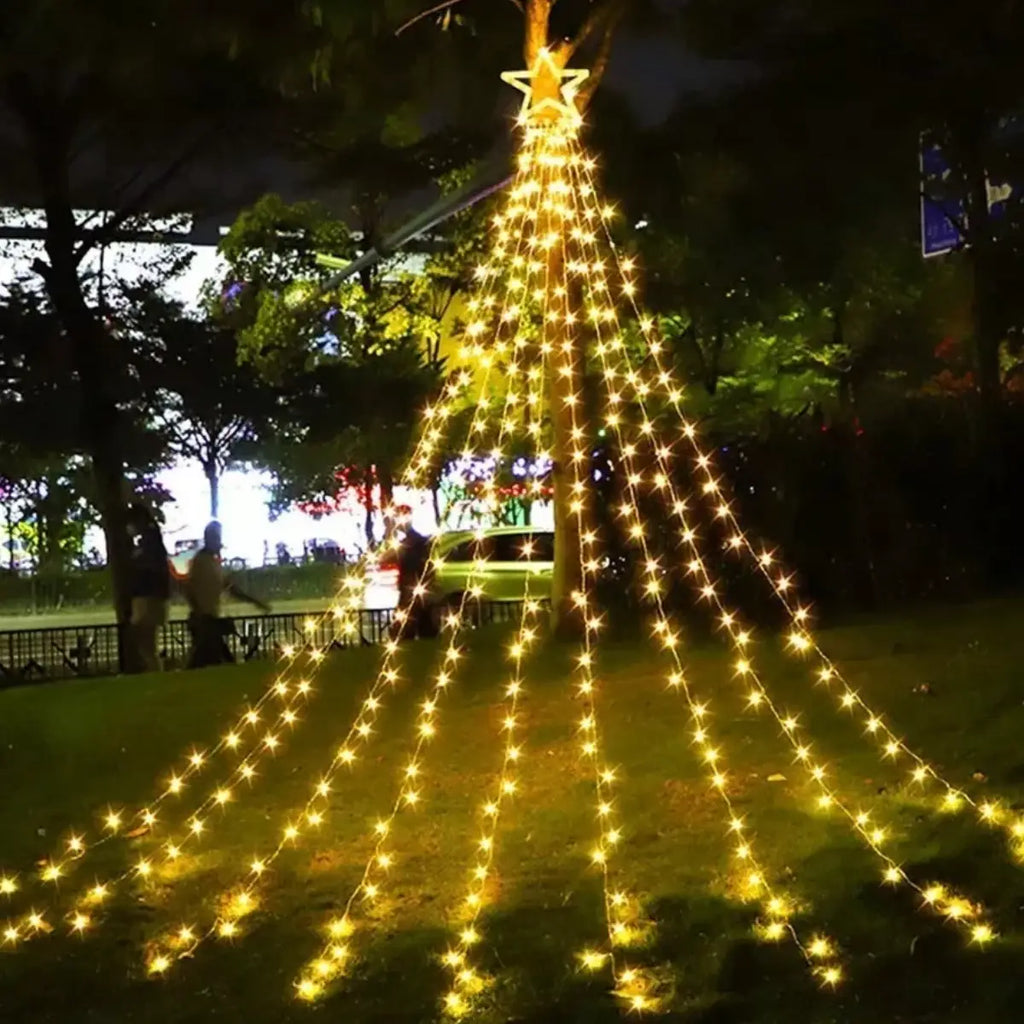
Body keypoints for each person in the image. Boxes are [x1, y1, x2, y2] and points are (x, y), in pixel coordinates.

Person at [185, 521, 271, 668]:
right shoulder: (202, 561)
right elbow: (190, 588)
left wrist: (254, 602)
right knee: (211, 661)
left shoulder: (211, 561)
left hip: (208, 619)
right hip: (205, 620)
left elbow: (229, 588)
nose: (219, 542)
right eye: (217, 537)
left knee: (207, 661)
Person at [127, 503, 171, 672]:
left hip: (149, 598)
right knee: (147, 644)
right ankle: (154, 672)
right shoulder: (153, 539)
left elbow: (148, 569)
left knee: (147, 644)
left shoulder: (150, 543)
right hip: (152, 597)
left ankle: (155, 673)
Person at [392, 506, 434, 639]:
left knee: (408, 622)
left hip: (412, 587)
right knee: (421, 620)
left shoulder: (413, 542)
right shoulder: (410, 541)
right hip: (414, 587)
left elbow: (416, 564)